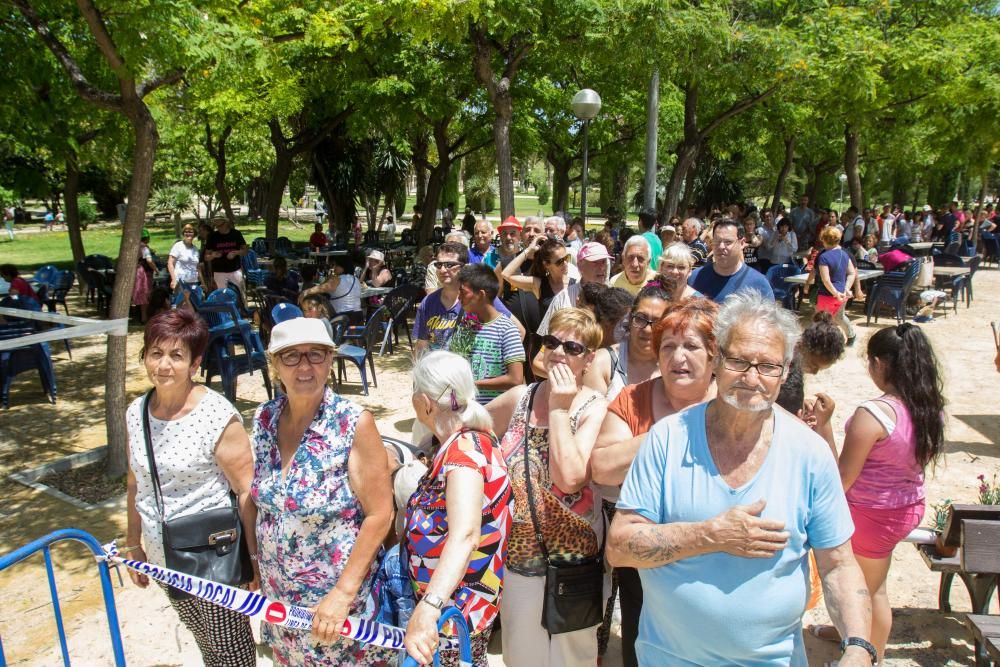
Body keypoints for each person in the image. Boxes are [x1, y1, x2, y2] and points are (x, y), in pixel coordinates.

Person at [607, 291, 874, 667]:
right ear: (717, 360)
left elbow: (838, 564)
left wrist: (860, 646)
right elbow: (619, 546)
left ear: (785, 372)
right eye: (739, 361)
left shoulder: (809, 454)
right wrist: (710, 535)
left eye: (768, 366)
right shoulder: (668, 439)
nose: (752, 379)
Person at [251, 318, 395, 665]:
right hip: (280, 600)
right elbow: (260, 503)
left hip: (335, 605)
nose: (305, 366)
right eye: (291, 356)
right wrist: (255, 565)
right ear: (274, 366)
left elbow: (380, 513)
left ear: (330, 361)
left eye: (316, 355)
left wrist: (343, 594)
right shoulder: (264, 419)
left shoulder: (352, 422)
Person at [125, 309, 257, 666]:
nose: (164, 365)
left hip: (213, 557)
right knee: (202, 639)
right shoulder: (136, 412)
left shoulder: (215, 415)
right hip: (164, 554)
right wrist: (133, 544)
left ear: (195, 362)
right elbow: (135, 480)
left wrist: (254, 561)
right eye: (156, 353)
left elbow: (246, 491)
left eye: (176, 355)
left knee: (231, 651)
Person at [592, 297, 719, 667]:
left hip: (712, 562)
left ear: (715, 355)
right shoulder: (634, 399)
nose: (678, 356)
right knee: (641, 649)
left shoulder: (732, 403)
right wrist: (673, 431)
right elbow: (601, 468)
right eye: (668, 346)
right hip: (643, 561)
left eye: (691, 346)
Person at [807, 324, 945, 664]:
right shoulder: (929, 407)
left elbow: (842, 478)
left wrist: (823, 426)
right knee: (871, 582)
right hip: (904, 507)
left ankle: (870, 657)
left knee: (869, 591)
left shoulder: (874, 414)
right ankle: (846, 633)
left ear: (881, 364)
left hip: (871, 514)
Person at [487, 308, 609, 667]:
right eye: (552, 342)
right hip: (519, 556)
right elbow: (468, 428)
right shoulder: (519, 398)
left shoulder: (595, 407)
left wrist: (559, 409)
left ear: (588, 359)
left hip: (574, 560)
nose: (558, 352)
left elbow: (570, 478)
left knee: (572, 657)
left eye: (572, 347)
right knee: (522, 655)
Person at [402, 351, 513, 666]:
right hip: (461, 609)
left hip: (452, 616)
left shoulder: (462, 455)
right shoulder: (474, 439)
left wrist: (429, 606)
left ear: (424, 402)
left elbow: (465, 535)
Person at [412, 242, 519, 354]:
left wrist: (494, 362)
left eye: (449, 265)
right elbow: (421, 345)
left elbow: (518, 331)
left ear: (464, 267)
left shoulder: (481, 297)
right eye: (439, 265)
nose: (443, 270)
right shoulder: (428, 302)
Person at [449, 264, 525, 404]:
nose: (459, 297)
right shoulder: (465, 325)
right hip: (463, 409)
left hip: (493, 413)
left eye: (463, 292)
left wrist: (473, 384)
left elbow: (515, 379)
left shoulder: (506, 330)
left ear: (481, 295)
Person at [583, 286, 669, 400]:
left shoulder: (673, 366)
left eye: (657, 322)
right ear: (629, 319)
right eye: (640, 318)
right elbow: (590, 414)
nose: (648, 329)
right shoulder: (602, 363)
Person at [689, 218, 774, 302]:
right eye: (717, 241)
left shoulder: (758, 283)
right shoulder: (695, 277)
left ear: (741, 243)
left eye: (728, 242)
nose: (721, 247)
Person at [809, 225, 857, 345]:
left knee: (821, 320)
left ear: (824, 239)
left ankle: (820, 342)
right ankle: (851, 336)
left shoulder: (824, 257)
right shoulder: (845, 254)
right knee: (839, 318)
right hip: (842, 295)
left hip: (826, 295)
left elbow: (826, 280)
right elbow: (852, 273)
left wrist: (835, 293)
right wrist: (846, 289)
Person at [501, 236, 575, 313]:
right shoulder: (539, 284)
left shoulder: (575, 284)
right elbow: (506, 274)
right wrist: (529, 250)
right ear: (546, 264)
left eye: (566, 258)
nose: (565, 263)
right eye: (560, 261)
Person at [301, 257, 363, 325]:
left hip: (342, 319)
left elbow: (322, 288)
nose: (334, 268)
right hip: (358, 316)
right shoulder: (355, 279)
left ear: (343, 267)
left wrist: (306, 292)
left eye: (336, 265)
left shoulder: (337, 279)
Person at [204, 217, 248, 291]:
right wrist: (213, 255)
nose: (218, 227)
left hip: (235, 270)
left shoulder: (236, 234)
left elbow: (245, 251)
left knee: (240, 293)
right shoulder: (212, 236)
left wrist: (236, 253)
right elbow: (206, 257)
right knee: (223, 296)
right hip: (219, 271)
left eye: (220, 225)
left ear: (226, 223)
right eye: (216, 226)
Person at [133, 229, 157, 323]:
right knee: (144, 294)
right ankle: (144, 317)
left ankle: (138, 315)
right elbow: (149, 261)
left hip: (135, 271)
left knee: (138, 294)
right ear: (147, 238)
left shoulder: (134, 246)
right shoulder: (144, 248)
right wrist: (156, 269)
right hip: (143, 273)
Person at [167, 224, 200, 292]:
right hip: (180, 282)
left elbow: (197, 268)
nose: (188, 234)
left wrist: (203, 283)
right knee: (180, 302)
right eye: (186, 232)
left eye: (190, 232)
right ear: (183, 233)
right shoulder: (178, 246)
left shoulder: (195, 249)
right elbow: (170, 263)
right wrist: (173, 279)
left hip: (193, 282)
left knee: (192, 302)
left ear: (194, 234)